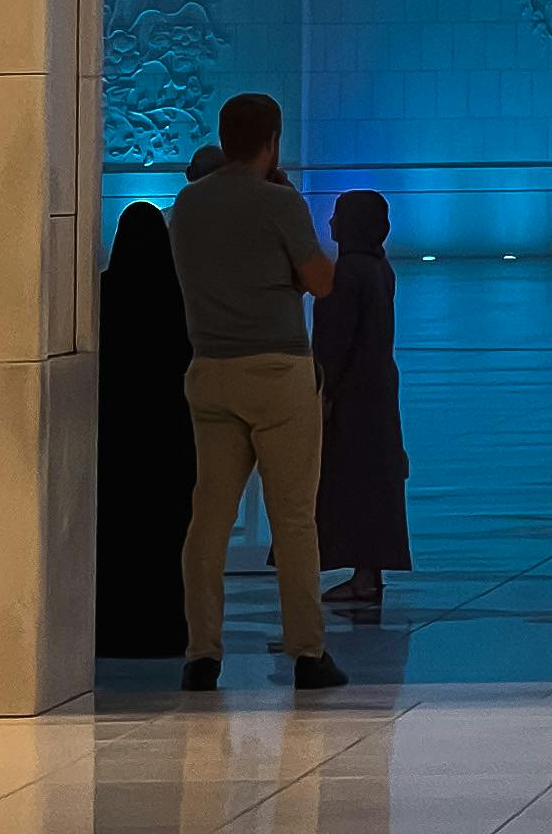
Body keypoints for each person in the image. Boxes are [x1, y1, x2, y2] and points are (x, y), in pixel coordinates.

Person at [166, 89, 346, 693]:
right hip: (277, 372)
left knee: (207, 520)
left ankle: (201, 653)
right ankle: (307, 652)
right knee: (292, 519)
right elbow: (321, 281)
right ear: (272, 141)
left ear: (223, 138)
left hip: (211, 371)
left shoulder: (187, 204)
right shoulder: (279, 202)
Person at [95, 201, 197, 658]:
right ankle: (168, 630)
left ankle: (112, 629)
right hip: (169, 437)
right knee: (166, 535)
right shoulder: (182, 298)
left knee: (117, 534)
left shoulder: (102, 295)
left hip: (117, 437)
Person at [313, 189, 410, 615]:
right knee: (374, 483)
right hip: (377, 389)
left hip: (351, 396)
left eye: (338, 216)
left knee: (350, 482)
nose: (331, 223)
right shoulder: (379, 268)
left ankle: (363, 575)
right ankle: (369, 571)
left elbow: (334, 342)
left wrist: (322, 391)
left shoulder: (347, 273)